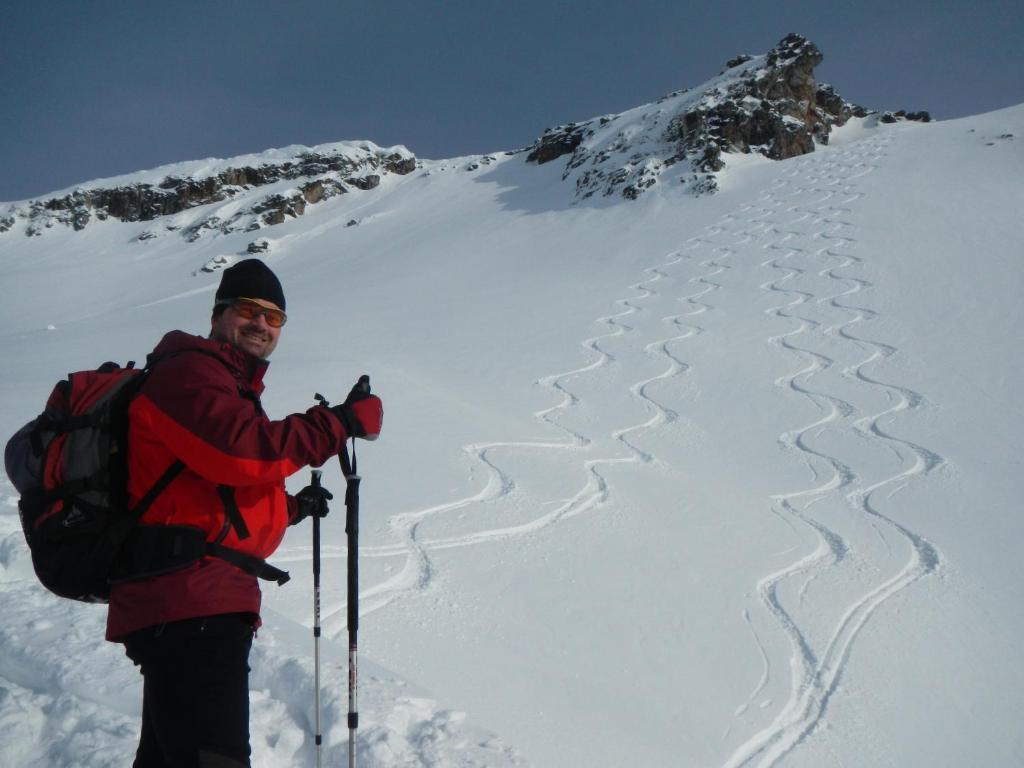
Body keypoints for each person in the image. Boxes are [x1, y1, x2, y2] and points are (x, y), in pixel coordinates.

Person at [106, 259, 382, 767]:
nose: (261, 324)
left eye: (274, 317)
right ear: (218, 315)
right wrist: (339, 422)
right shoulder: (189, 373)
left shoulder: (224, 384)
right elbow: (242, 453)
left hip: (195, 599)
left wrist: (293, 507)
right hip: (189, 602)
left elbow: (218, 492)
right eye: (249, 310)